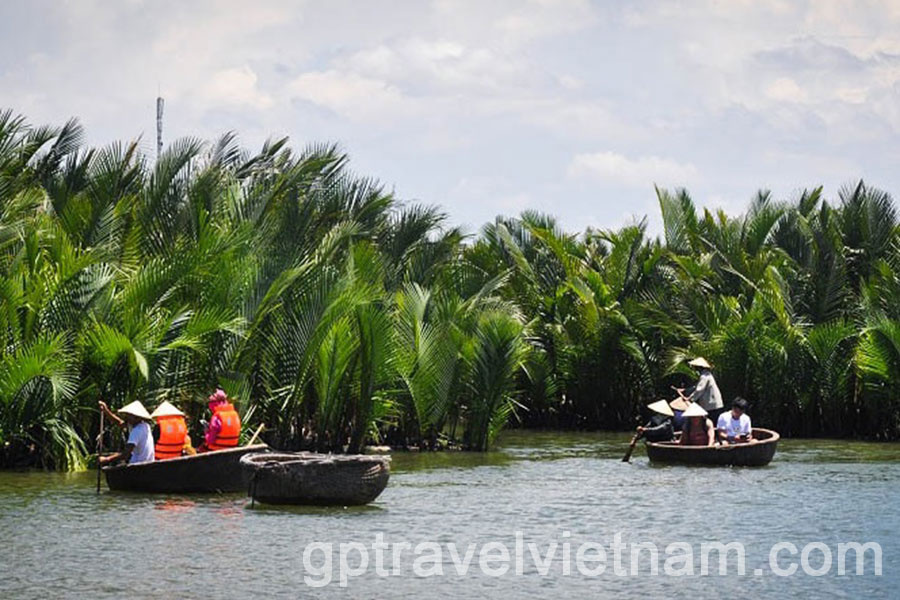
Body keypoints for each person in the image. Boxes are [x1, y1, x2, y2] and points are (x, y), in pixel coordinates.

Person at [98, 400, 155, 465]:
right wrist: (106, 410)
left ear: (137, 417)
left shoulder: (137, 431)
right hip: (149, 464)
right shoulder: (145, 425)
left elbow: (126, 454)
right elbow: (119, 423)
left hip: (138, 465)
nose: (126, 417)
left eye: (129, 415)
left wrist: (107, 459)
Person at [677, 357, 724, 425]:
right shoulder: (706, 375)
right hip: (712, 405)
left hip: (712, 405)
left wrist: (689, 399)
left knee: (711, 423)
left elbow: (699, 390)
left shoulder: (704, 376)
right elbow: (696, 387)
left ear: (699, 367)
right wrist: (685, 390)